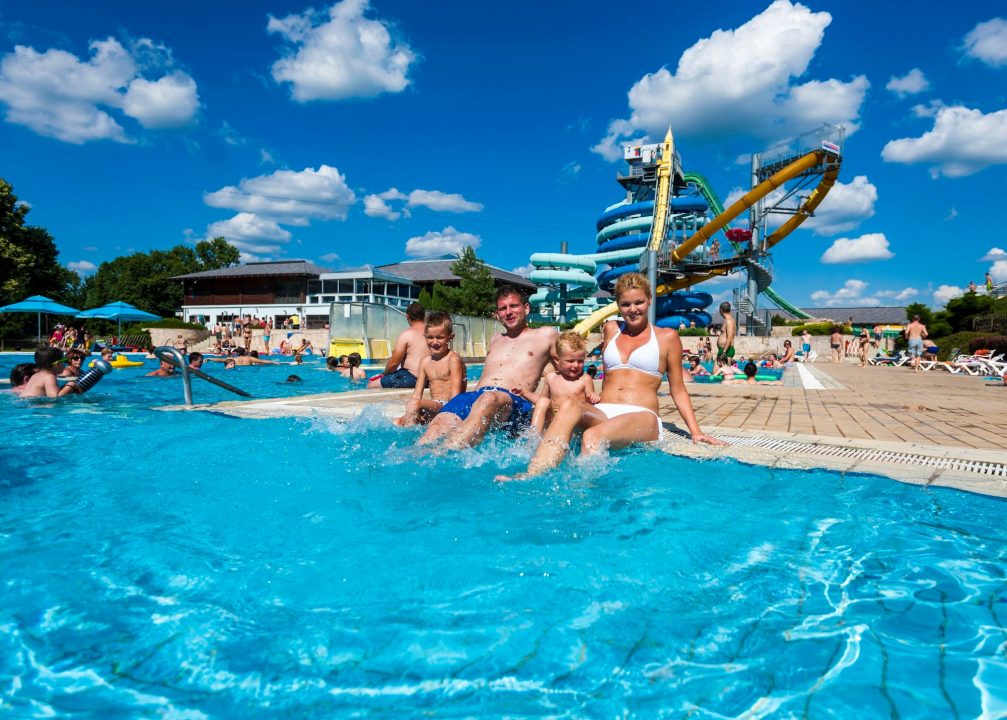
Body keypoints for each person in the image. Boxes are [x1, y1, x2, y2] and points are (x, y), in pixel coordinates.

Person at [504, 273, 725, 480]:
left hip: (642, 415)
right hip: (604, 410)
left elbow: (678, 389)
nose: (632, 309)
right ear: (617, 306)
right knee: (570, 405)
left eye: (639, 302)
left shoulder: (667, 337)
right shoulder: (611, 329)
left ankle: (582, 496)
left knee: (593, 437)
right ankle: (532, 474)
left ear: (649, 300)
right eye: (625, 304)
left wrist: (696, 432)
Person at [418, 286, 557, 450]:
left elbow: (565, 371)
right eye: (502, 309)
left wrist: (548, 407)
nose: (508, 312)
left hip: (513, 400)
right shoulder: (495, 339)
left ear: (526, 308)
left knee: (489, 398)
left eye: (513, 306)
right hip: (475, 396)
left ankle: (443, 453)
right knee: (437, 427)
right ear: (497, 315)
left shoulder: (546, 334)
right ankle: (415, 459)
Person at [515, 331, 600, 435]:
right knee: (543, 403)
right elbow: (542, 400)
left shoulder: (585, 379)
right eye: (570, 361)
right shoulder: (551, 378)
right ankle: (534, 436)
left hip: (574, 426)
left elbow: (589, 401)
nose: (576, 365)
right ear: (557, 359)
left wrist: (593, 397)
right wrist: (524, 393)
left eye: (580, 361)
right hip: (552, 423)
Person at [396, 312, 466, 427]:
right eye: (430, 337)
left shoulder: (453, 359)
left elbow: (456, 397)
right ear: (425, 336)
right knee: (397, 422)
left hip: (450, 406)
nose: (434, 342)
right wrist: (413, 413)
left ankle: (409, 438)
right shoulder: (425, 362)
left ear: (450, 337)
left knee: (414, 405)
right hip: (434, 407)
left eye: (440, 337)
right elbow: (417, 395)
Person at [368, 302, 430, 389]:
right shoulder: (432, 331)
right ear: (423, 316)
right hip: (430, 379)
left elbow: (394, 363)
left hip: (412, 378)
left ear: (407, 316)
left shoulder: (407, 334)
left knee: (371, 385)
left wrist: (384, 374)